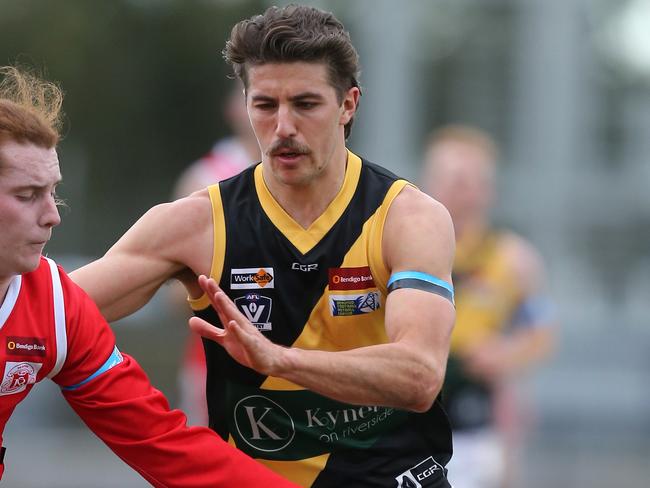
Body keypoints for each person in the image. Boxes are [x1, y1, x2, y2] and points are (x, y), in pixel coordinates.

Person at [71, 5, 456, 487]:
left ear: (348, 105)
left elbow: (420, 377)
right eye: (266, 106)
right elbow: (48, 314)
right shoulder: (196, 223)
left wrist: (278, 360)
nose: (284, 127)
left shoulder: (408, 217)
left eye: (306, 104)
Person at [0, 65, 297, 487]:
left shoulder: (53, 304)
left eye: (53, 192)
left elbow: (165, 445)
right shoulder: (209, 181)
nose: (52, 217)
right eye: (27, 195)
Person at [421, 125, 556, 488]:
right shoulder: (401, 252)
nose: (458, 191)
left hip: (477, 422)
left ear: (488, 189)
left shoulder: (514, 260)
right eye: (449, 178)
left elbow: (541, 334)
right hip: (409, 414)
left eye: (469, 180)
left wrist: (504, 354)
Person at [172, 81, 260, 426]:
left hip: (300, 359)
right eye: (254, 98)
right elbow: (176, 292)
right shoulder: (204, 179)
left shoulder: (320, 177)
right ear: (232, 109)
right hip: (217, 363)